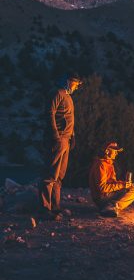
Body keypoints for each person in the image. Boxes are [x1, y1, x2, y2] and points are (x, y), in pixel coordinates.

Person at [38, 72, 82, 220]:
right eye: (75, 84)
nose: (76, 87)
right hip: (59, 139)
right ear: (69, 82)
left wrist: (73, 135)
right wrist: (55, 136)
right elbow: (50, 113)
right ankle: (45, 209)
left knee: (59, 176)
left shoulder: (68, 97)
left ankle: (56, 207)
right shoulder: (58, 93)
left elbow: (68, 117)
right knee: (50, 174)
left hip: (66, 139)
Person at [89, 141, 134, 217]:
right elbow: (102, 188)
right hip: (101, 198)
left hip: (106, 195)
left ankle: (112, 206)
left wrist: (125, 184)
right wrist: (122, 185)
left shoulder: (109, 164)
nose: (116, 153)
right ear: (107, 151)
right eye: (115, 151)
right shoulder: (101, 165)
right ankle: (112, 207)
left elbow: (112, 183)